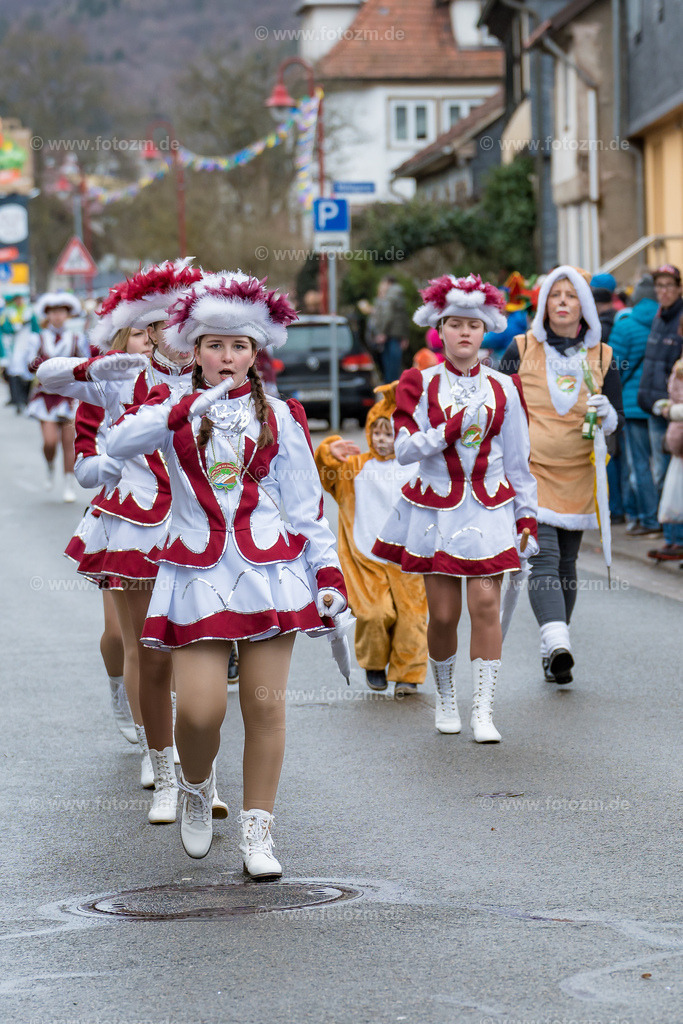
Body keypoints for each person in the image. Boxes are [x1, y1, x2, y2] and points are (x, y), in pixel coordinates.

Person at [105, 272, 347, 878]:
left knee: (265, 707)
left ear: (255, 353)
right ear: (195, 348)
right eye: (215, 344)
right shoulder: (169, 408)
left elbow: (306, 506)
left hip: (271, 572)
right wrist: (190, 405)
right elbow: (121, 440)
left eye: (239, 346)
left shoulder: (284, 417)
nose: (227, 356)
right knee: (201, 711)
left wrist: (329, 578)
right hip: (196, 574)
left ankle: (258, 833)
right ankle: (193, 783)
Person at [36, 261, 232, 826]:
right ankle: (165, 772)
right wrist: (103, 467)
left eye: (182, 321)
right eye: (159, 323)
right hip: (136, 525)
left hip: (208, 529)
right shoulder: (122, 375)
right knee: (148, 652)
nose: (172, 332)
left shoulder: (219, 375)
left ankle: (204, 776)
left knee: (207, 656)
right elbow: (52, 382)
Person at [372, 274, 538, 741]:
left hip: (489, 507)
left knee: (485, 603)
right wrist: (450, 429)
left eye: (473, 324)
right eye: (455, 324)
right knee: (443, 614)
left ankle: (483, 710)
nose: (464, 332)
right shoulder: (416, 382)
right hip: (435, 508)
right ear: (439, 330)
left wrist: (528, 517)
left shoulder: (505, 387)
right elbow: (403, 450)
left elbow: (520, 461)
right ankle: (446, 697)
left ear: (485, 331)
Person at [499, 265, 624, 684]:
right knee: (543, 558)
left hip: (579, 475)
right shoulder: (520, 348)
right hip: (530, 475)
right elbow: (496, 407)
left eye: (572, 295)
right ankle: (556, 641)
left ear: (585, 306)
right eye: (556, 295)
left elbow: (618, 422)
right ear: (544, 304)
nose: (564, 302)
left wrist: (609, 417)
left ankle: (553, 651)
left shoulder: (604, 355)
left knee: (567, 563)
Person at [314, 382, 428, 696]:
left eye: (389, 433)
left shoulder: (416, 468)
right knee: (376, 614)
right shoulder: (356, 468)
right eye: (377, 432)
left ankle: (408, 673)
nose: (381, 439)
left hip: (409, 558)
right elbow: (327, 468)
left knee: (412, 618)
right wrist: (327, 449)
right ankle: (375, 663)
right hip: (366, 557)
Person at [23, 291, 89, 502]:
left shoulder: (77, 338)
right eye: (54, 312)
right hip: (45, 396)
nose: (58, 316)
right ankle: (50, 465)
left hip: (69, 398)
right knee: (50, 442)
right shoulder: (38, 338)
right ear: (48, 314)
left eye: (61, 311)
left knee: (69, 443)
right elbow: (28, 365)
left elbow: (86, 365)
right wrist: (37, 363)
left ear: (68, 315)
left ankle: (68, 484)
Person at [608, 275, 661, 537]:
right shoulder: (668, 322)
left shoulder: (626, 326)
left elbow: (614, 369)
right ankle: (668, 520)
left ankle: (645, 517)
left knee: (637, 464)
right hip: (661, 403)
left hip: (633, 403)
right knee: (662, 465)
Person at [637, 264, 683, 561]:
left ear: (679, 288)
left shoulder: (679, 318)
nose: (663, 291)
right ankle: (671, 537)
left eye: (668, 285)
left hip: (674, 409)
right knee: (661, 473)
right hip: (654, 407)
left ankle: (676, 539)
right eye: (659, 285)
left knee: (672, 472)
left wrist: (671, 405)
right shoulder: (658, 317)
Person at [373, 276, 411, 384]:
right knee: (395, 366)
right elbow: (404, 317)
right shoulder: (399, 295)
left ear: (388, 283)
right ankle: (395, 391)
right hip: (398, 335)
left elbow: (387, 315)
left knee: (389, 369)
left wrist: (382, 332)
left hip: (390, 336)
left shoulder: (390, 296)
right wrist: (405, 336)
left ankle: (390, 395)